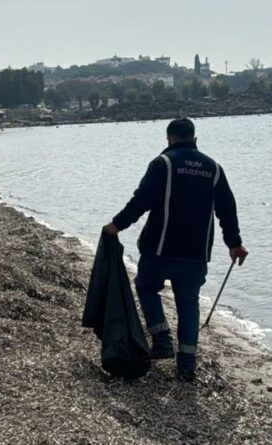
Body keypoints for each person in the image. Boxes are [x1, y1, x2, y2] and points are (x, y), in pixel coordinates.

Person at [103, 118, 249, 382]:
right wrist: (234, 244)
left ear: (168, 139)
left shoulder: (163, 164)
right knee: (188, 303)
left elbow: (141, 200)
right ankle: (186, 364)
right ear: (195, 139)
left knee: (146, 286)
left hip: (160, 248)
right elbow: (227, 208)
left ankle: (161, 340)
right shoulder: (213, 168)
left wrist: (116, 225)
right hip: (195, 253)